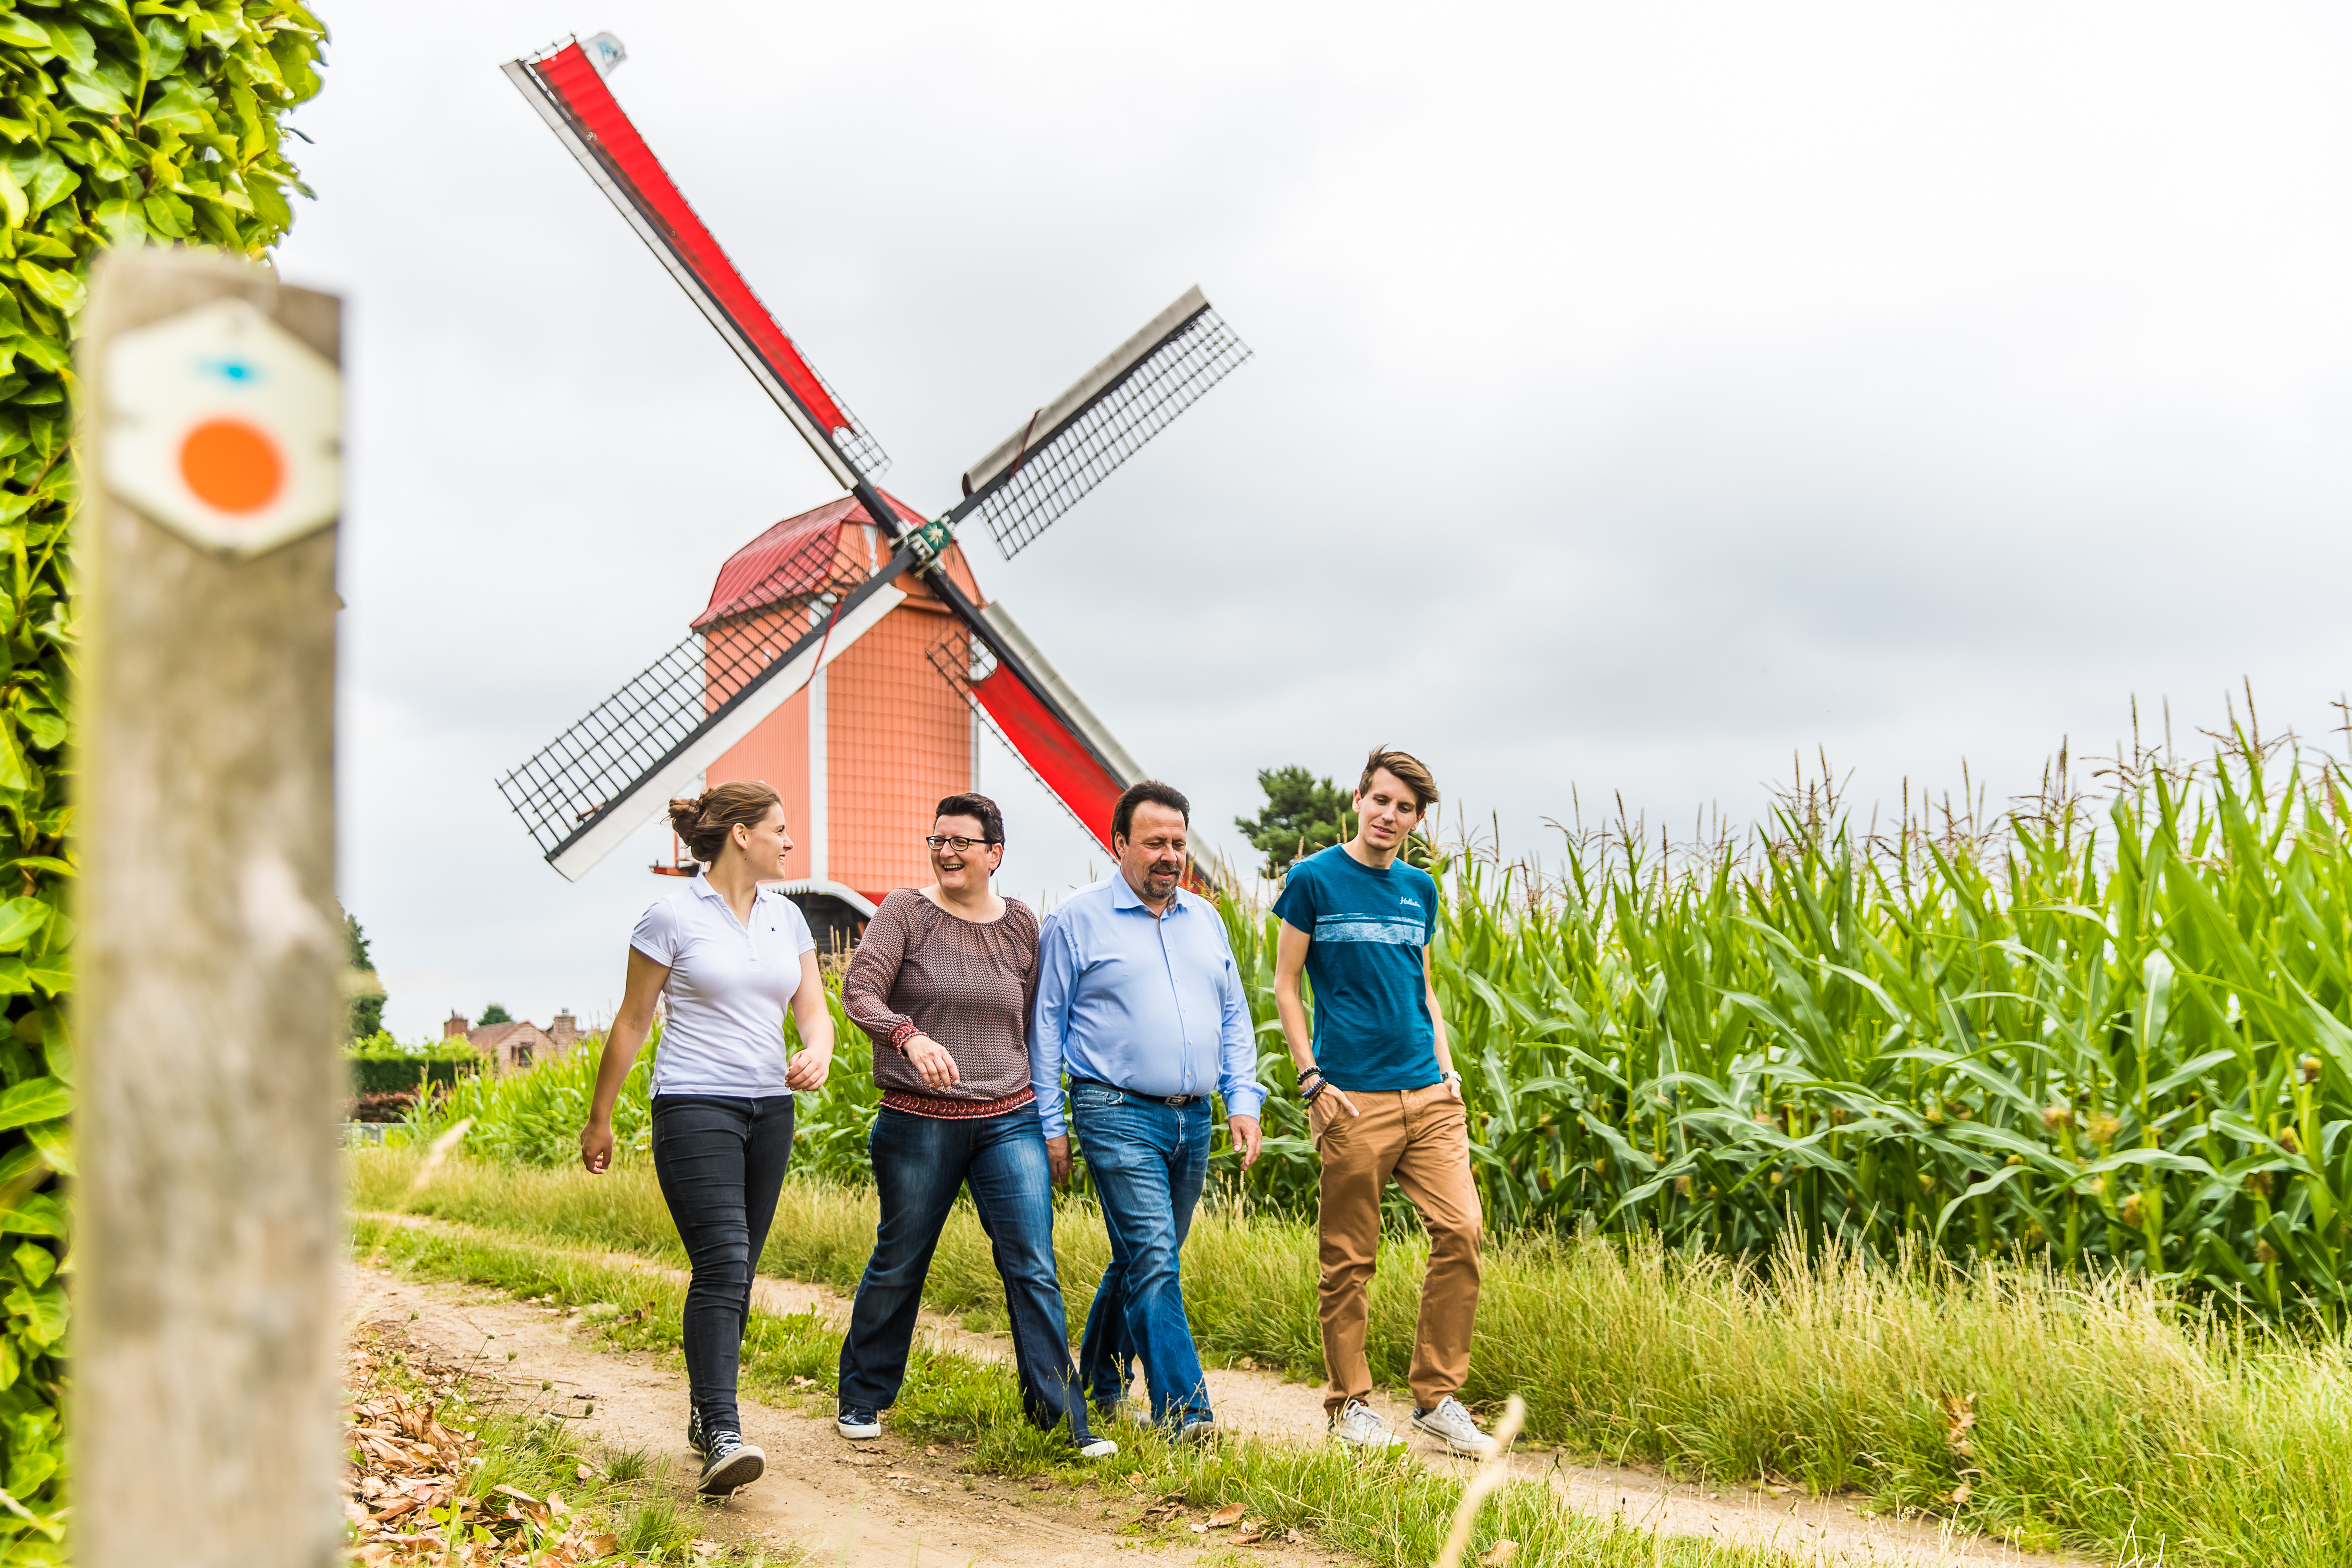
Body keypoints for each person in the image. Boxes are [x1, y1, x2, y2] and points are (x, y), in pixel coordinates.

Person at [836, 793, 1115, 1459]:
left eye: (961, 842)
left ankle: (1062, 1420)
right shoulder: (905, 912)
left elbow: (1035, 1021)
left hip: (1008, 1118)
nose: (947, 852)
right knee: (902, 1259)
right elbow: (859, 992)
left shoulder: (1020, 924)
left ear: (995, 854)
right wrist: (907, 1037)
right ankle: (863, 1396)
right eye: (938, 840)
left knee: (1033, 1265)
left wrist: (1047, 1114)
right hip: (918, 1120)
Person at [579, 781, 835, 1495]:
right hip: (694, 1105)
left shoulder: (788, 919)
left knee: (737, 1271)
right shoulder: (671, 915)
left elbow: (813, 1011)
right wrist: (600, 1117)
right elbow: (633, 1020)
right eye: (780, 829)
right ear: (741, 835)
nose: (790, 841)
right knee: (723, 1263)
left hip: (770, 1111)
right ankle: (723, 1430)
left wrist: (819, 1050)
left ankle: (704, 1413)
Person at [1271, 747, 1494, 1456]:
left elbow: (1423, 989)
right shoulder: (1312, 879)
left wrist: (1449, 1072)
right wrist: (1312, 1079)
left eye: (1405, 808)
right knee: (1349, 1259)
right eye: (1381, 801)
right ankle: (1350, 1406)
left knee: (1461, 1230)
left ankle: (1437, 1399)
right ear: (1359, 800)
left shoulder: (1419, 889)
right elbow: (1286, 986)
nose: (1390, 816)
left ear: (1417, 820)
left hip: (1429, 1093)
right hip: (1351, 1099)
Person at [1032, 781, 1264, 1441]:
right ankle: (1185, 1412)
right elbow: (1045, 1027)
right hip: (1114, 1109)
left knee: (1139, 1258)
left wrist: (1243, 1099)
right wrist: (1052, 1125)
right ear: (1119, 844)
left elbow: (1233, 1015)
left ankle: (1101, 1385)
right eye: (1156, 842)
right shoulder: (1076, 920)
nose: (1171, 856)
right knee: (1156, 1258)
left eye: (1179, 843)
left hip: (1195, 1117)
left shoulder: (1206, 920)